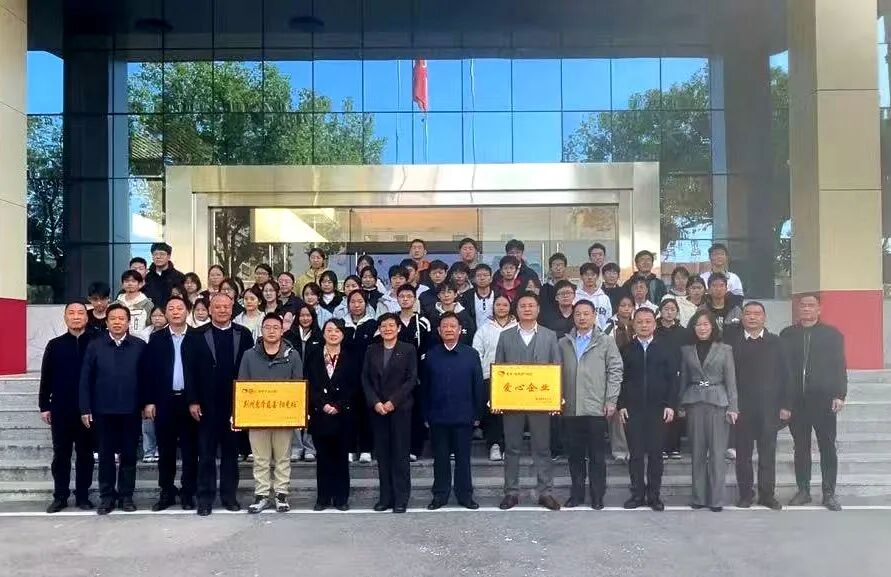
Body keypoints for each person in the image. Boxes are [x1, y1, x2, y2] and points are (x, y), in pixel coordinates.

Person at [495, 292, 562, 511]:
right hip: (512, 402)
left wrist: (556, 399)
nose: (527, 309)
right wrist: (497, 398)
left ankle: (545, 492)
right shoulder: (505, 336)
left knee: (542, 448)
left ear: (538, 309)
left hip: (540, 402)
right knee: (512, 448)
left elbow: (556, 367)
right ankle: (511, 492)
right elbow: (499, 368)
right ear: (516, 310)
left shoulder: (549, 336)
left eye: (531, 305)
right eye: (523, 305)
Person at [190, 293, 255, 516]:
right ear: (210, 309)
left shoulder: (243, 334)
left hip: (234, 404)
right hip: (206, 404)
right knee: (206, 454)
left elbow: (249, 368)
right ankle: (205, 499)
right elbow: (190, 370)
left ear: (232, 308)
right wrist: (193, 400)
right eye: (217, 307)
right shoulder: (197, 334)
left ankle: (229, 497)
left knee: (230, 454)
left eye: (226, 307)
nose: (222, 310)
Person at [79, 303, 147, 514]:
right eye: (113, 319)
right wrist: (85, 408)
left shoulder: (139, 345)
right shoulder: (95, 345)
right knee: (106, 456)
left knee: (129, 455)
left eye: (121, 319)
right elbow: (85, 378)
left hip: (131, 410)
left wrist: (147, 403)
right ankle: (107, 497)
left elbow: (147, 378)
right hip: (103, 411)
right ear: (106, 322)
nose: (117, 322)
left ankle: (126, 497)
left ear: (128, 322)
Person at [781, 293, 847, 511]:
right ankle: (803, 490)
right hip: (797, 401)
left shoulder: (832, 335)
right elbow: (782, 369)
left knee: (827, 447)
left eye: (811, 305)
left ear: (819, 309)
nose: (807, 309)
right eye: (803, 305)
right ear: (798, 309)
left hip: (824, 400)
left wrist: (840, 394)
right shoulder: (787, 334)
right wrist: (784, 401)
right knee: (801, 447)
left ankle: (829, 492)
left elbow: (839, 365)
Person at [558, 300, 623, 511]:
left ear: (594, 316)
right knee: (575, 456)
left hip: (596, 407)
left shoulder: (606, 342)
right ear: (573, 316)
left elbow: (615, 371)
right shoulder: (563, 343)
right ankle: (576, 495)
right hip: (571, 408)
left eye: (586, 313)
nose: (582, 317)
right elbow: (554, 374)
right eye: (578, 314)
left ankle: (597, 495)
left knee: (597, 456)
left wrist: (611, 400)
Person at [238, 313, 303, 514]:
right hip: (257, 415)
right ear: (262, 330)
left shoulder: (292, 355)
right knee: (260, 458)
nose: (272, 331)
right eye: (268, 327)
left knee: (283, 457)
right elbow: (242, 385)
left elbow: (298, 385)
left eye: (276, 327)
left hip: (284, 415)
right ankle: (262, 494)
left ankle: (281, 494)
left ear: (282, 330)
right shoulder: (249, 355)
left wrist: (298, 413)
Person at [140, 296, 201, 511]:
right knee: (165, 451)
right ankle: (166, 491)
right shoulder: (157, 339)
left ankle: (188, 493)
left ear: (187, 311)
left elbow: (202, 374)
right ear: (165, 313)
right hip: (163, 402)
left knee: (190, 451)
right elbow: (148, 372)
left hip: (189, 403)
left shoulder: (197, 337)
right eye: (171, 308)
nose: (175, 312)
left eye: (180, 308)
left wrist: (195, 400)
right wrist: (149, 401)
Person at [729, 301, 790, 510]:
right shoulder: (733, 343)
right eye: (748, 313)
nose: (752, 317)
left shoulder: (776, 342)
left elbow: (786, 374)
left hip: (769, 408)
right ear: (742, 317)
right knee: (743, 456)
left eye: (757, 314)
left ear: (764, 317)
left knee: (767, 455)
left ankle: (767, 495)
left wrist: (786, 404)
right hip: (742, 408)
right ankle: (746, 495)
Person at [618, 308, 678, 511]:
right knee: (635, 455)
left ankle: (654, 496)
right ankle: (637, 494)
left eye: (648, 321)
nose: (644, 325)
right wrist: (621, 405)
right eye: (640, 322)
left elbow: (673, 379)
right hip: (633, 410)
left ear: (654, 324)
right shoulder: (626, 349)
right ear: (633, 324)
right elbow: (620, 379)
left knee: (655, 455)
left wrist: (671, 405)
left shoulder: (665, 348)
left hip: (658, 409)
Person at [424, 313, 484, 510]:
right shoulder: (431, 355)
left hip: (464, 416)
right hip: (438, 416)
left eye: (452, 326)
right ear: (439, 330)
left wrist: (478, 414)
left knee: (463, 459)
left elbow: (477, 386)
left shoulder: (471, 354)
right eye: (445, 326)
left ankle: (465, 495)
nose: (449, 329)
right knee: (440, 458)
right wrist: (426, 414)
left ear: (460, 330)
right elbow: (425, 387)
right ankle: (440, 495)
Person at [679, 310, 738, 512]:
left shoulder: (725, 349)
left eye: (706, 324)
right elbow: (683, 378)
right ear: (693, 328)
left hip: (718, 403)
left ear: (713, 327)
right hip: (695, 402)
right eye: (698, 324)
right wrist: (680, 404)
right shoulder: (687, 350)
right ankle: (698, 497)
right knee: (697, 452)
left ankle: (716, 499)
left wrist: (733, 407)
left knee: (717, 454)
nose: (702, 328)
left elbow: (731, 380)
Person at [40, 301, 96, 513]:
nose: (76, 317)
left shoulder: (96, 342)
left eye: (80, 313)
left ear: (87, 317)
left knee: (85, 454)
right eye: (71, 313)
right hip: (61, 408)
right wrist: (44, 405)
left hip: (88, 410)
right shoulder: (55, 345)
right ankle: (60, 496)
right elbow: (46, 377)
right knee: (61, 454)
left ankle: (83, 496)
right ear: (65, 318)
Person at [362, 313, 418, 513]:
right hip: (378, 410)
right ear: (379, 329)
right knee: (383, 455)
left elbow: (411, 379)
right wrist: (376, 402)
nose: (387, 329)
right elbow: (365, 379)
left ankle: (401, 498)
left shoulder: (408, 349)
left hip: (400, 409)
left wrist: (393, 401)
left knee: (400, 455)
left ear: (398, 328)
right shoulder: (371, 350)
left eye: (391, 325)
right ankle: (385, 498)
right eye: (383, 326)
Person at [306, 319, 359, 511]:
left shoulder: (351, 357)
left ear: (343, 334)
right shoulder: (313, 356)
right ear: (323, 333)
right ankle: (323, 498)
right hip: (320, 415)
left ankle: (341, 498)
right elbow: (309, 384)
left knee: (341, 459)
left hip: (343, 415)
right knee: (323, 459)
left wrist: (338, 405)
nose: (333, 334)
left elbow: (355, 386)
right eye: (329, 330)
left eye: (337, 330)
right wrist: (323, 404)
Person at [472, 294, 516, 462]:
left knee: (511, 414)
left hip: (514, 377)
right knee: (493, 412)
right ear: (493, 307)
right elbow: (477, 352)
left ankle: (510, 446)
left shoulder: (518, 326)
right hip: (490, 376)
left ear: (510, 307)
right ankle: (494, 445)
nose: (501, 308)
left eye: (505, 305)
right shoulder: (485, 328)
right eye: (498, 305)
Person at [394, 285, 433, 462]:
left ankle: (415, 448)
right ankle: (398, 447)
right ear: (397, 299)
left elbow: (427, 348)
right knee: (397, 412)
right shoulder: (392, 321)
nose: (405, 299)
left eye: (409, 296)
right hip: (395, 375)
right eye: (402, 296)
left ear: (415, 299)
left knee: (416, 411)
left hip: (417, 375)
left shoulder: (423, 321)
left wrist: (419, 373)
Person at [284, 303, 322, 462]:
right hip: (293, 380)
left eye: (308, 315)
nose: (305, 318)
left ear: (313, 318)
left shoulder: (319, 336)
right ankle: (295, 447)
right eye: (302, 315)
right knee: (294, 414)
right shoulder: (288, 336)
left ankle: (309, 448)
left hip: (313, 380)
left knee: (310, 414)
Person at [656, 298, 687, 460]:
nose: (669, 312)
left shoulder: (683, 332)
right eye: (666, 309)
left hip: (677, 375)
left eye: (672, 309)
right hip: (657, 374)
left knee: (675, 410)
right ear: (660, 311)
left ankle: (674, 446)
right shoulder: (654, 330)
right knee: (660, 411)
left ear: (677, 312)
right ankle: (660, 446)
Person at [428, 282, 476, 346]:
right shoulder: (433, 315)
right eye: (443, 293)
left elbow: (471, 334)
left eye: (449, 292)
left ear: (455, 294)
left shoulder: (464, 315)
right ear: (438, 296)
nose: (446, 295)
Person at [143, 242, 187, 308]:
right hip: (151, 313)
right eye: (155, 254)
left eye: (162, 254)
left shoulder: (179, 277)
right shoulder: (147, 277)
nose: (158, 257)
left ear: (168, 257)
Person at [574, 263, 613, 329]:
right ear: (581, 277)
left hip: (601, 334)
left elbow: (609, 320)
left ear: (597, 277)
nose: (590, 277)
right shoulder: (575, 296)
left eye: (593, 275)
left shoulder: (604, 298)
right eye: (586, 275)